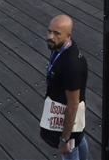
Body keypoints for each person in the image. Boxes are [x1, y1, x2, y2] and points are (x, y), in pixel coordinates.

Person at [39, 14, 89, 160]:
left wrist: (64, 139)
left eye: (56, 33)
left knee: (70, 150)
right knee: (79, 138)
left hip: (65, 115)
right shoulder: (60, 47)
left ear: (68, 36)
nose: (50, 36)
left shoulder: (71, 65)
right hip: (64, 109)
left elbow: (72, 105)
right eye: (49, 31)